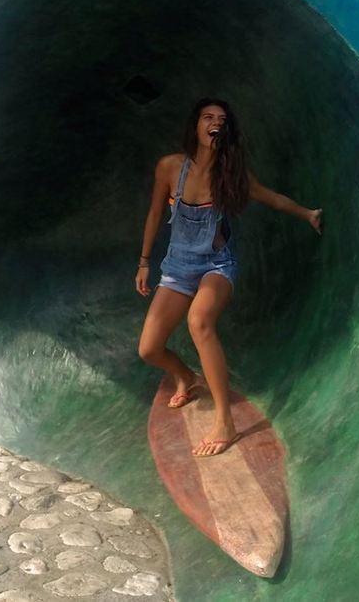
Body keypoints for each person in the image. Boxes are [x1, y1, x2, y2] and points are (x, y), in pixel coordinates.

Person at [136, 98, 322, 457]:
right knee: (149, 349)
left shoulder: (232, 176)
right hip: (177, 267)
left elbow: (274, 200)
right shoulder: (170, 167)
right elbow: (155, 213)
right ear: (196, 126)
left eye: (221, 119)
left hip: (216, 265)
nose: (214, 123)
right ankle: (187, 378)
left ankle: (225, 422)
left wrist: (308, 214)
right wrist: (144, 262)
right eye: (208, 117)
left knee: (199, 321)